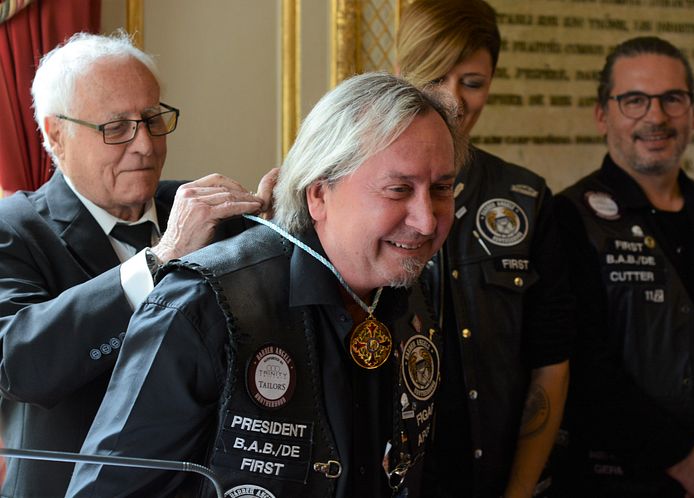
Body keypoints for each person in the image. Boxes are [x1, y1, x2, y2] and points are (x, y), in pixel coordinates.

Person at [65, 72, 466, 498]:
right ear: (319, 195)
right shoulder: (201, 304)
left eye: (441, 188)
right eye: (398, 190)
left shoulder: (412, 287)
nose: (427, 220)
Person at [0, 31, 273, 497]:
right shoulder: (16, 227)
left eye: (152, 118)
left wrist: (291, 215)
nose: (145, 144)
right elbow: (18, 363)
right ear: (56, 134)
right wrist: (158, 261)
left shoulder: (207, 211)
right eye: (116, 127)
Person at [396, 1, 574, 497]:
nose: (452, 100)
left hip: (490, 475)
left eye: (473, 82)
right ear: (400, 73)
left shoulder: (526, 196)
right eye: (434, 76)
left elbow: (551, 357)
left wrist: (518, 492)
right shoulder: (351, 188)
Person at [554, 36, 694, 497]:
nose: (656, 117)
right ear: (603, 115)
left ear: (693, 113)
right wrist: (684, 460)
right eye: (634, 100)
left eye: (672, 99)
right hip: (627, 484)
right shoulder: (568, 218)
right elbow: (580, 371)